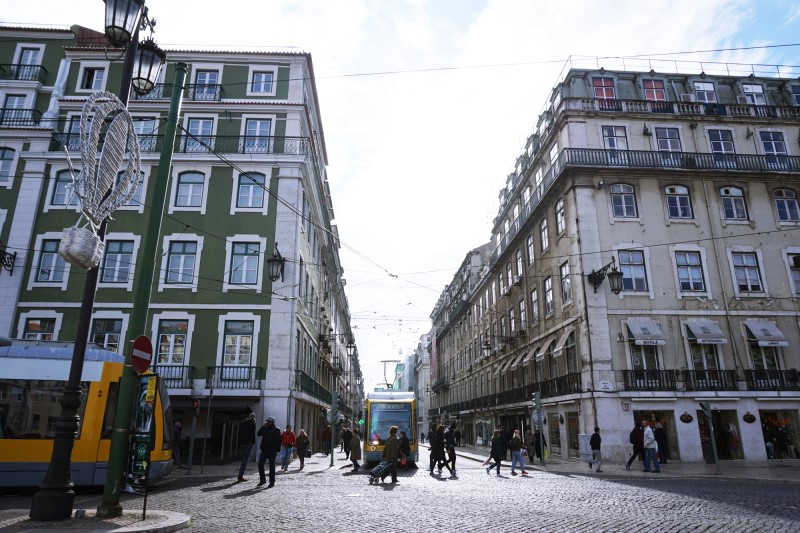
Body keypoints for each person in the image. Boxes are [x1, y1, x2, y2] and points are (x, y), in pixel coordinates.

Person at [257, 417, 282, 487]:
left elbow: (279, 441)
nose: (268, 423)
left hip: (272, 450)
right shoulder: (265, 428)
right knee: (260, 464)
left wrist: (277, 449)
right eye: (267, 421)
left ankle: (272, 481)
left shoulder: (276, 429)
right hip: (264, 450)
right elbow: (258, 434)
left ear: (273, 422)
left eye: (269, 421)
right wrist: (262, 427)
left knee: (271, 466)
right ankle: (262, 480)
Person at [237, 413, 256, 482]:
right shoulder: (252, 423)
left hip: (243, 442)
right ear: (253, 418)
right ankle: (240, 475)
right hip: (248, 443)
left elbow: (239, 433)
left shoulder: (242, 423)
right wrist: (253, 442)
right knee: (245, 459)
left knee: (244, 458)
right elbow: (252, 434)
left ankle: (240, 475)